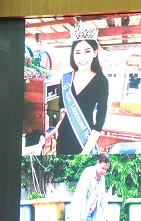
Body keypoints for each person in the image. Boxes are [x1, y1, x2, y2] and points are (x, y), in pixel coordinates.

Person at [49, 22, 109, 155]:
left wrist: (86, 151)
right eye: (77, 52)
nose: (82, 57)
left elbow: (100, 120)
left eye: (87, 51)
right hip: (63, 138)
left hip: (85, 139)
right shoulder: (65, 78)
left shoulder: (101, 81)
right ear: (73, 54)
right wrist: (59, 125)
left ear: (95, 52)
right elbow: (63, 109)